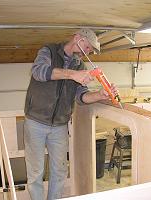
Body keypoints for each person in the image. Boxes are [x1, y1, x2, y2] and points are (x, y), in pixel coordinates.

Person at [24, 28, 118, 200]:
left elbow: (81, 96)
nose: (89, 52)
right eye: (88, 48)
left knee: (59, 171)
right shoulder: (49, 51)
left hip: (59, 125)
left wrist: (99, 95)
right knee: (35, 172)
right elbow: (39, 72)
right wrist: (73, 75)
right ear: (77, 39)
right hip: (36, 122)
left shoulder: (79, 65)